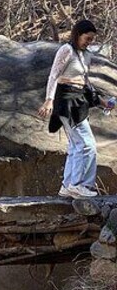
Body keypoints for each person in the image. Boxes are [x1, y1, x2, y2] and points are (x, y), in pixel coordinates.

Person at [38, 19, 110, 199]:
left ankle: (67, 185)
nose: (89, 42)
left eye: (92, 40)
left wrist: (102, 102)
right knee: (87, 145)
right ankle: (78, 185)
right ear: (78, 35)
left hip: (79, 101)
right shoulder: (66, 50)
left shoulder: (85, 55)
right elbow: (54, 75)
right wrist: (49, 100)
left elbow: (85, 83)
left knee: (76, 146)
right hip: (66, 101)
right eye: (87, 38)